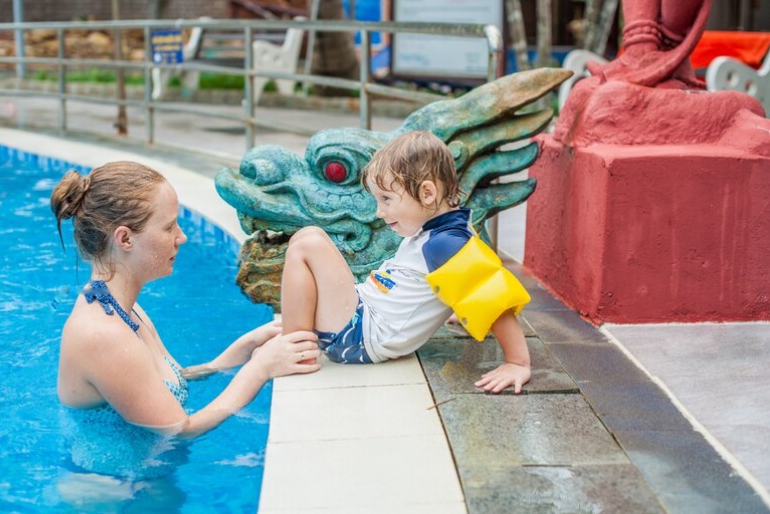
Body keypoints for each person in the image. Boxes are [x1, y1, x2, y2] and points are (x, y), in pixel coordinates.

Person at [51, 161, 320, 439]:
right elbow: (179, 430)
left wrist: (242, 350)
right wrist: (260, 368)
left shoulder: (119, 306)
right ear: (125, 239)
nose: (182, 236)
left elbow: (168, 380)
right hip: (114, 482)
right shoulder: (103, 335)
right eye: (169, 227)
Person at [279, 131, 532, 393]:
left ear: (427, 193)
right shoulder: (438, 232)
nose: (379, 211)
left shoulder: (445, 244)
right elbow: (461, 281)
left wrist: (517, 362)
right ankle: (298, 336)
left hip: (360, 338)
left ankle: (295, 351)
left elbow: (492, 296)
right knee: (307, 239)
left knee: (309, 242)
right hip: (361, 319)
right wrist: (457, 305)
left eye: (386, 199)